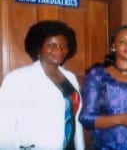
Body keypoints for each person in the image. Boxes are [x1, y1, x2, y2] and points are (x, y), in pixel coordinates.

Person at [0, 20, 85, 149]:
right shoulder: (17, 79)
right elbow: (4, 124)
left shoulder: (70, 77)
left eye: (64, 45)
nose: (59, 50)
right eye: (51, 45)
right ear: (38, 47)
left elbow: (74, 117)